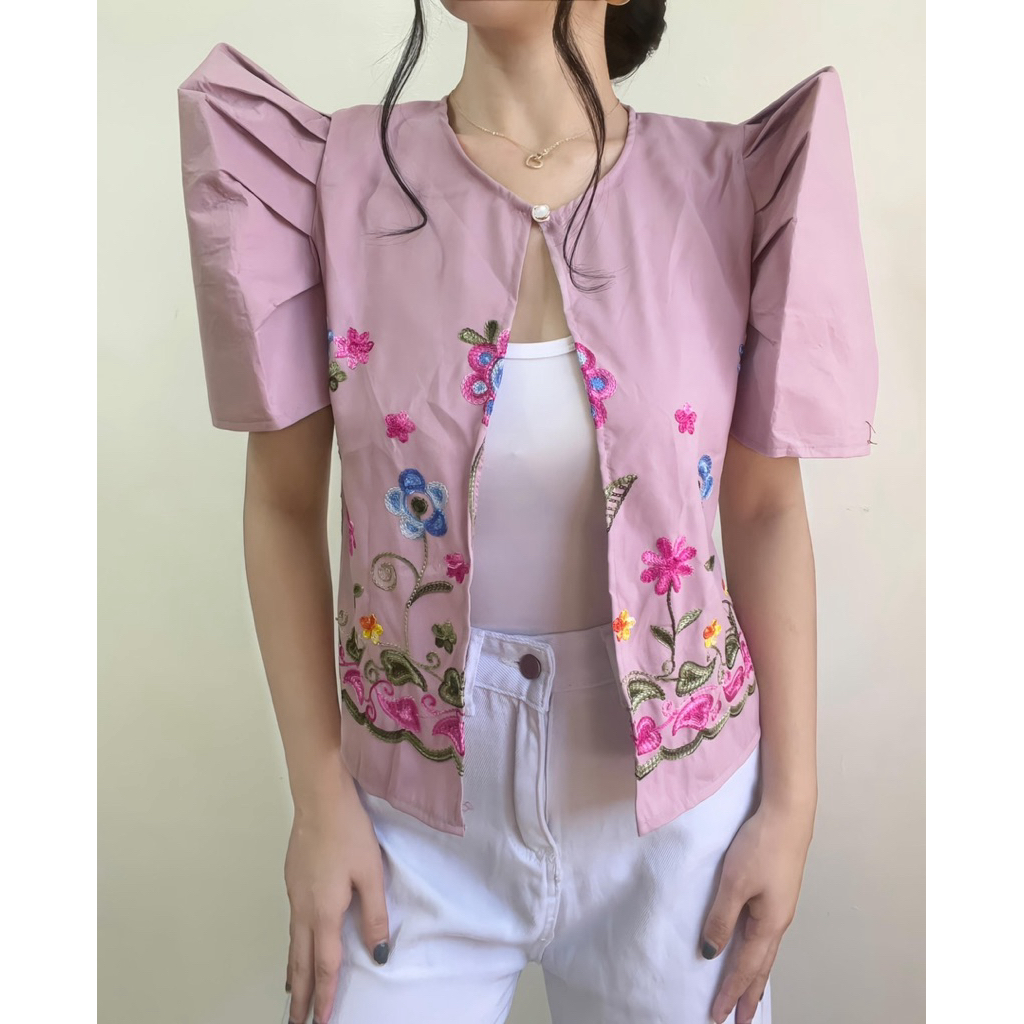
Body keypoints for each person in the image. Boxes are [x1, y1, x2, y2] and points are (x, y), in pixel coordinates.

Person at [176, 2, 878, 1022]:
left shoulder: (731, 186)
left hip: (681, 827)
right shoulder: (327, 180)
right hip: (405, 821)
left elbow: (765, 509)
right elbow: (283, 506)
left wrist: (791, 803)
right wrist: (318, 801)